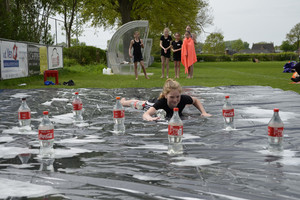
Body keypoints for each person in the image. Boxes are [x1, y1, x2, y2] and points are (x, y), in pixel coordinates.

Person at [121, 79, 212, 121]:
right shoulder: (161, 102)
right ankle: (124, 102)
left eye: (177, 96)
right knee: (141, 103)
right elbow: (146, 114)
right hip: (151, 104)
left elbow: (195, 100)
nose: (175, 100)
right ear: (165, 95)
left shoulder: (183, 99)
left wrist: (203, 112)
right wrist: (149, 118)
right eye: (172, 97)